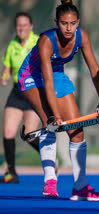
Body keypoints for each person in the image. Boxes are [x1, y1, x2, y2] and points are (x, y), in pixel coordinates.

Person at [17, 0, 99, 201]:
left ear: (78, 22)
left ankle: (80, 187)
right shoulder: (46, 40)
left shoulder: (81, 36)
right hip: (32, 75)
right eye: (64, 23)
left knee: (76, 130)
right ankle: (50, 181)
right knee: (50, 122)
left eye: (73, 23)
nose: (69, 28)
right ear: (56, 22)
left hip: (56, 74)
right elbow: (47, 83)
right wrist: (56, 116)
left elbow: (94, 69)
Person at [0, 12, 40, 184]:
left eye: (24, 25)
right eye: (18, 25)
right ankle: (11, 172)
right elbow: (7, 69)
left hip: (34, 92)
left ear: (30, 27)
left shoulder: (39, 42)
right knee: (8, 132)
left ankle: (49, 159)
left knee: (30, 134)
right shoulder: (12, 45)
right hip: (17, 92)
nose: (21, 28)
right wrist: (4, 76)